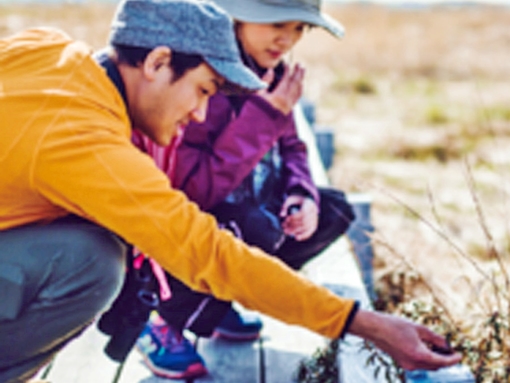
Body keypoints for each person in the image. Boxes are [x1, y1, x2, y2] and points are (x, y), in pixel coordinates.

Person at [0, 0, 462, 382]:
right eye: (203, 90)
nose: (200, 114)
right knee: (91, 264)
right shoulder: (87, 140)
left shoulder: (50, 48)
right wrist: (363, 323)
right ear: (158, 63)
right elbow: (208, 253)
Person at [121, 0, 355, 378]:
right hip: (198, 221)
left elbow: (293, 146)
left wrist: (302, 194)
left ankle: (218, 297)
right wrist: (265, 115)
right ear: (237, 16)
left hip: (248, 206)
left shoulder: (274, 74)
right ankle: (160, 320)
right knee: (255, 228)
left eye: (300, 29)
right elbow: (193, 187)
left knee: (335, 211)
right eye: (276, 22)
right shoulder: (203, 80)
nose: (287, 38)